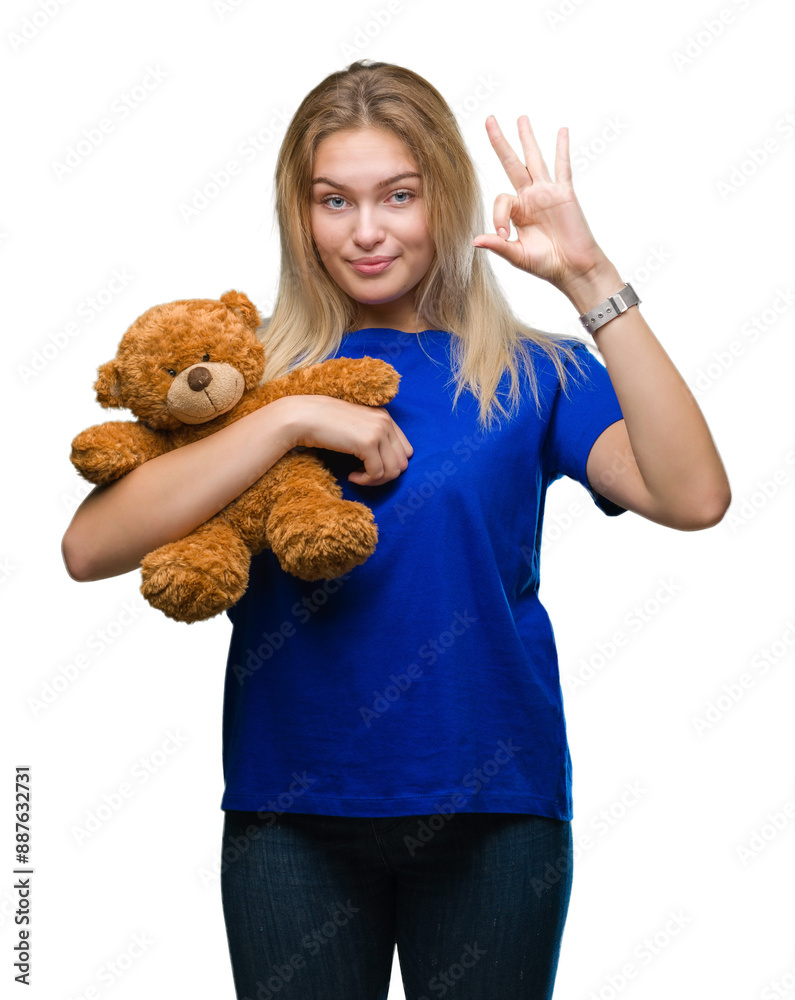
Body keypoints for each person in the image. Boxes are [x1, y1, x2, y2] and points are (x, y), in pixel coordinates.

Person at [62, 60, 731, 1000]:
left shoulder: (532, 372)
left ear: (443, 200)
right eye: (334, 200)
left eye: (398, 196)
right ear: (299, 214)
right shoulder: (242, 371)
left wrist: (589, 276)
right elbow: (89, 550)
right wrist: (285, 421)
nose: (366, 231)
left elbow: (694, 496)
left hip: (493, 813)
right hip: (288, 818)